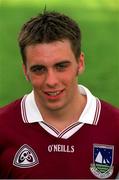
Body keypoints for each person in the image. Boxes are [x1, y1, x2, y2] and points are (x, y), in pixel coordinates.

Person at [0, 10, 119, 179]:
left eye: (61, 66)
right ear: (25, 71)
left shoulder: (115, 126)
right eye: (39, 69)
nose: (51, 81)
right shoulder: (3, 127)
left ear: (80, 63)